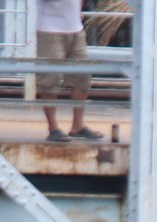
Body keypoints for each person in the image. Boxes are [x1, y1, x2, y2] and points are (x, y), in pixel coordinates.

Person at [37, 0, 103, 142]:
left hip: (76, 29)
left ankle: (77, 126)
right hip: (49, 29)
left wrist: (79, 9)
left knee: (82, 77)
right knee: (50, 79)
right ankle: (53, 128)